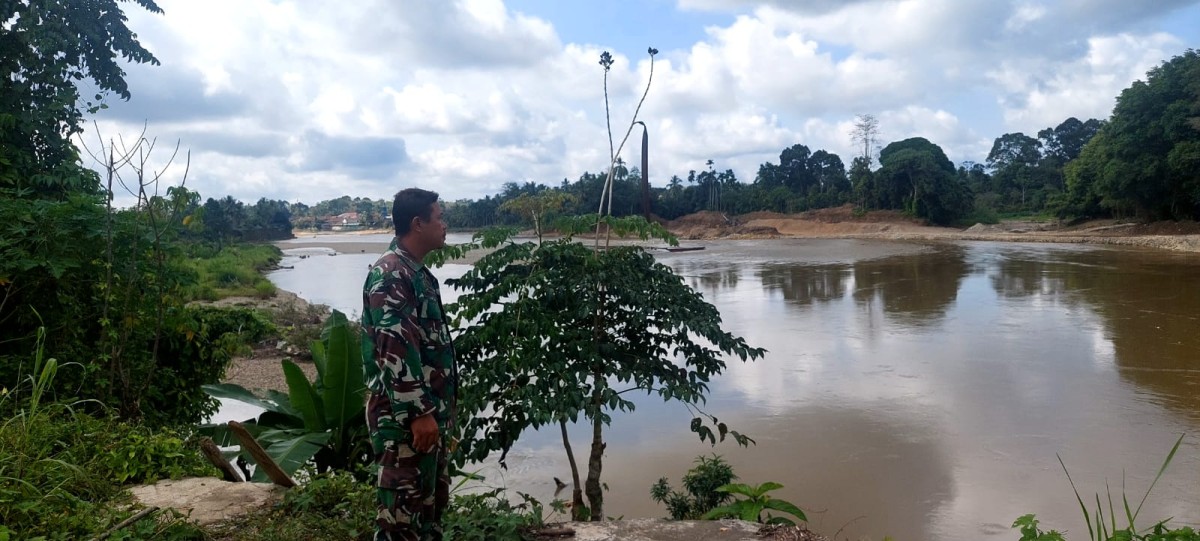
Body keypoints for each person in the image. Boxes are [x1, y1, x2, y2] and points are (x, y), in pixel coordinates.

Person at [361, 188, 457, 541]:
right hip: (404, 423)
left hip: (423, 421)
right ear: (418, 224)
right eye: (439, 217)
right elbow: (394, 349)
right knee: (399, 523)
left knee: (426, 514)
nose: (445, 225)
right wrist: (419, 413)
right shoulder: (391, 274)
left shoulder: (413, 272)